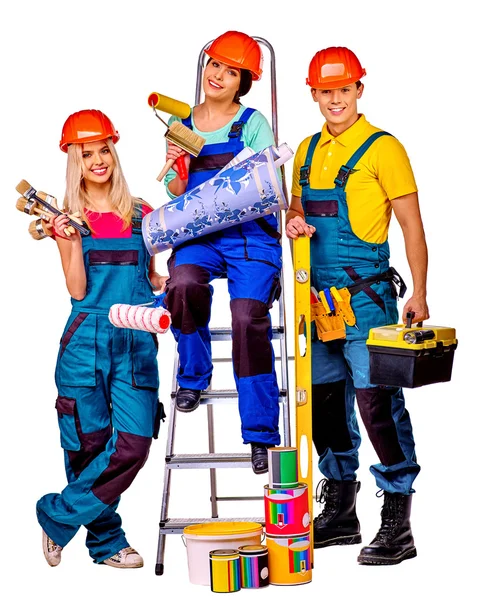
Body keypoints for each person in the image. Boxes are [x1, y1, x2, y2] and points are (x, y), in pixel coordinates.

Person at [286, 47, 429, 565]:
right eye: (326, 91)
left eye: (343, 90)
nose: (335, 99)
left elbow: (412, 225)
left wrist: (420, 290)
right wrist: (292, 221)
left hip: (367, 301)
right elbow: (297, 213)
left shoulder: (383, 148)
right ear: (314, 94)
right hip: (317, 301)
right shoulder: (302, 151)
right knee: (325, 406)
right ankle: (341, 511)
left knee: (377, 406)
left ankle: (398, 521)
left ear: (359, 90)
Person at [36, 109, 167, 568]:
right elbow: (76, 289)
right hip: (86, 339)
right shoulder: (71, 218)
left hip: (135, 340)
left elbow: (149, 278)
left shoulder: (141, 212)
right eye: (86, 153)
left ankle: (57, 515)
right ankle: (108, 543)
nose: (98, 160)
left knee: (133, 444)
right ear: (75, 160)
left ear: (114, 150)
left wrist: (170, 285)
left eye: (103, 150)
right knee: (87, 444)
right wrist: (65, 240)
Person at [163, 31, 282, 475]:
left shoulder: (251, 124)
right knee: (183, 284)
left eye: (231, 71)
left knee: (246, 317)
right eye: (215, 64)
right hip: (199, 234)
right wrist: (178, 161)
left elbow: (269, 184)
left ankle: (259, 432)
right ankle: (193, 376)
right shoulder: (182, 125)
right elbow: (175, 193)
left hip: (249, 235)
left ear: (243, 81)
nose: (219, 75)